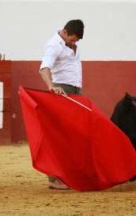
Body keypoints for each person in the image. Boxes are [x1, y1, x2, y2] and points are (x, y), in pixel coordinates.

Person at [39, 19, 85, 190]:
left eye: (76, 41)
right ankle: (54, 178)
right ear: (64, 32)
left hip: (75, 91)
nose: (74, 43)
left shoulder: (71, 45)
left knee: (74, 134)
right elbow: (44, 68)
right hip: (62, 90)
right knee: (60, 135)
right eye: (72, 39)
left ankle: (68, 173)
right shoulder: (53, 45)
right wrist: (51, 86)